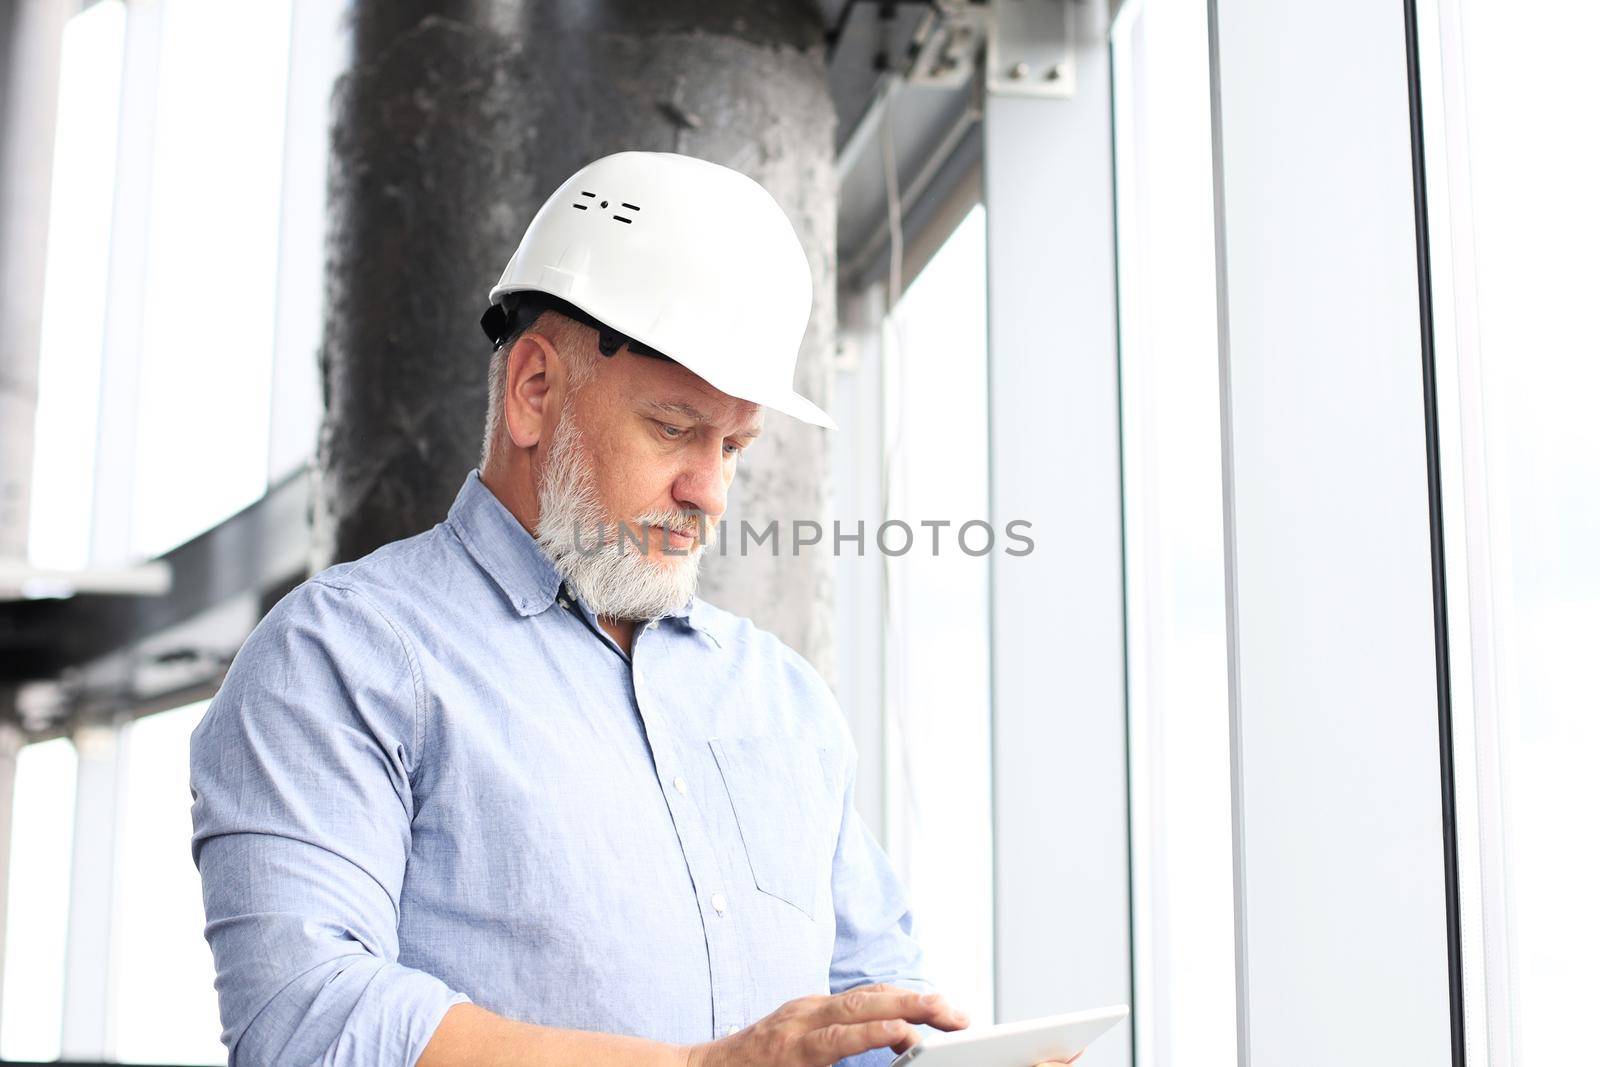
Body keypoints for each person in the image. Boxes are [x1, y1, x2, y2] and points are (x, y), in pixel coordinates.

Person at [190, 151, 1078, 1067]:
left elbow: (868, 1024)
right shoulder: (341, 657)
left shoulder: (783, 698)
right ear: (535, 390)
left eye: (734, 444)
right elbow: (306, 1021)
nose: (711, 491)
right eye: (674, 428)